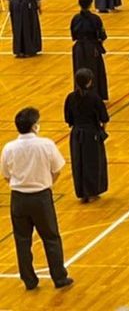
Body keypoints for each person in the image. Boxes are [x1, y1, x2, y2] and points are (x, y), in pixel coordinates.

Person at [1, 107, 73, 291]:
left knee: (22, 240)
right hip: (40, 197)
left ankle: (29, 280)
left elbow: (6, 175)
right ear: (34, 126)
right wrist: (46, 183)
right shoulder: (46, 144)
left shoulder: (9, 148)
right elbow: (57, 169)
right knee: (51, 237)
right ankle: (59, 277)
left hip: (18, 198)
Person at [63, 68, 109, 205]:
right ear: (89, 82)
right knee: (93, 163)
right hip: (92, 134)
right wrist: (100, 131)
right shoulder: (95, 98)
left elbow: (68, 119)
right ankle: (92, 192)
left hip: (76, 134)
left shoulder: (70, 97)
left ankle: (82, 193)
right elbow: (104, 118)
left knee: (79, 163)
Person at [70, 0, 108, 100]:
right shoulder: (95, 19)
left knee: (79, 70)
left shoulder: (75, 19)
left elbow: (73, 35)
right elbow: (102, 35)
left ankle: (79, 94)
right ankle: (95, 94)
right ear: (91, 4)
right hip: (92, 48)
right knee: (94, 71)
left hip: (78, 48)